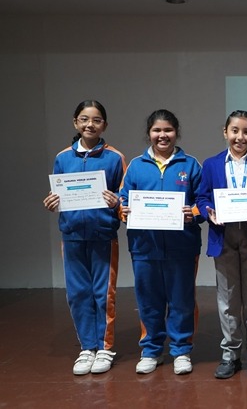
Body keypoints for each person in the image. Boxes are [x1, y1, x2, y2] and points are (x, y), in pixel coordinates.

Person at [43, 100, 126, 375]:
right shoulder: (63, 158)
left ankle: (105, 347)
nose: (90, 124)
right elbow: (58, 191)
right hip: (72, 236)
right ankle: (87, 348)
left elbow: (124, 195)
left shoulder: (114, 158)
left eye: (96, 120)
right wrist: (53, 201)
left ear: (105, 125)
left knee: (104, 294)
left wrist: (116, 201)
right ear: (75, 123)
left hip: (103, 235)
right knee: (78, 294)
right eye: (84, 119)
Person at [120, 109, 203, 375]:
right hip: (144, 246)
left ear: (176, 132)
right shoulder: (136, 166)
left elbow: (204, 201)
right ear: (149, 134)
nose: (162, 135)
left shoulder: (190, 164)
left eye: (168, 130)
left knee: (181, 300)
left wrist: (193, 213)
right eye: (157, 130)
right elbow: (123, 200)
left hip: (182, 246)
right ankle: (151, 350)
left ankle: (181, 350)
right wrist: (124, 211)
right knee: (148, 300)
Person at [196, 110, 247, 379]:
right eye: (234, 131)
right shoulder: (211, 164)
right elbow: (202, 197)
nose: (239, 137)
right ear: (225, 132)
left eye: (246, 132)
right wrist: (208, 211)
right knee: (228, 299)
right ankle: (230, 353)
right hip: (224, 236)